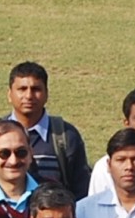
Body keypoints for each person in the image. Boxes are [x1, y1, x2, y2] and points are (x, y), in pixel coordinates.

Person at [5, 61, 88, 192]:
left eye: (36, 89)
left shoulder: (65, 136)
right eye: (22, 89)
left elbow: (81, 191)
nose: (29, 96)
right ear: (9, 94)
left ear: (46, 94)